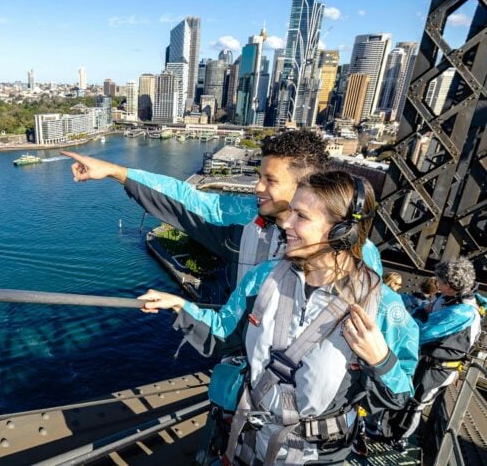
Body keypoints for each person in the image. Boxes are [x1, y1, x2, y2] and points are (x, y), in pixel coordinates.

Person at [138, 171, 418, 464]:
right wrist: (180, 307)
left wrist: (381, 359)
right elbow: (224, 335)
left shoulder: (382, 307)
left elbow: (399, 398)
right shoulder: (264, 278)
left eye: (301, 216)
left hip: (320, 456)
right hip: (248, 443)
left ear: (341, 231)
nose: (285, 223)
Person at [63, 130, 383, 308]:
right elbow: (186, 200)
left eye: (269, 181)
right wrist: (116, 171)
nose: (257, 188)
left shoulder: (360, 258)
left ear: (303, 185)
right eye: (259, 176)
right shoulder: (246, 219)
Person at [382, 257, 482, 452]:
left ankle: (400, 438)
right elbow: (424, 312)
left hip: (438, 369)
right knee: (407, 397)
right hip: (427, 362)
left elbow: (422, 332)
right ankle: (390, 431)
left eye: (440, 281)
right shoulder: (449, 299)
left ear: (451, 285)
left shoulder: (462, 312)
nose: (437, 284)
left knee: (416, 403)